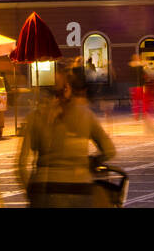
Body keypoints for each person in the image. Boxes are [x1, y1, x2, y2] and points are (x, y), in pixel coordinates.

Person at [18, 63, 117, 207]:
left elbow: (21, 163)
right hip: (80, 188)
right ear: (69, 88)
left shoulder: (34, 117)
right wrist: (91, 163)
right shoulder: (86, 115)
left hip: (44, 190)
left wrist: (31, 191)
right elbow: (109, 151)